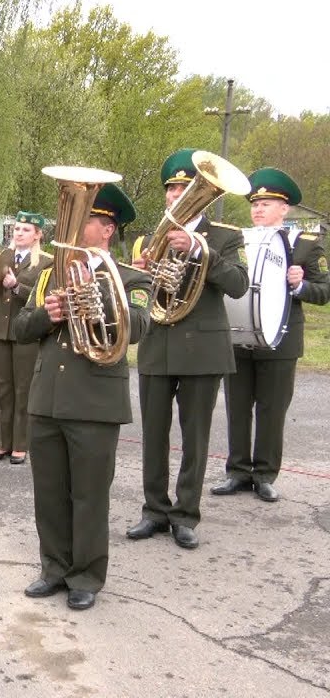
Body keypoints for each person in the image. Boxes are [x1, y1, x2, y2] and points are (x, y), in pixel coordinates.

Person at [14, 183, 151, 611]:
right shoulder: (49, 273)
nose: (71, 226)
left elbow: (141, 326)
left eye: (86, 219)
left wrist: (96, 302)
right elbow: (21, 328)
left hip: (94, 402)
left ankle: (86, 575)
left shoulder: (132, 277)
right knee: (48, 491)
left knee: (89, 495)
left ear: (107, 229)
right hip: (48, 398)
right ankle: (53, 568)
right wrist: (46, 314)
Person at [126, 148, 248, 550]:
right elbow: (143, 291)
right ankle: (154, 511)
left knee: (195, 437)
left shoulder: (227, 237)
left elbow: (238, 285)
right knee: (154, 435)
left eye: (185, 188)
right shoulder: (149, 239)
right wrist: (142, 275)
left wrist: (200, 251)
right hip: (158, 344)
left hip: (203, 349)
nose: (176, 196)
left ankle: (186, 514)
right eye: (172, 189)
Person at [214, 168, 329, 502]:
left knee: (271, 409)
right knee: (237, 407)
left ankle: (264, 474)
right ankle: (237, 471)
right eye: (255, 203)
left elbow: (324, 291)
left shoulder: (304, 246)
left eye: (266, 203)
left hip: (281, 338)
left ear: (285, 208)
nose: (258, 209)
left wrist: (301, 284)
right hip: (238, 335)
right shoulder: (237, 240)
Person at [0, 211, 52, 464]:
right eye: (17, 229)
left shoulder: (46, 262)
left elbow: (42, 298)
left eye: (25, 230)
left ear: (37, 234)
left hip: (25, 332)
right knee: (2, 389)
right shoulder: (3, 257)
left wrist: (16, 287)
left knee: (24, 388)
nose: (19, 233)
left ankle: (21, 445)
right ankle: (2, 443)